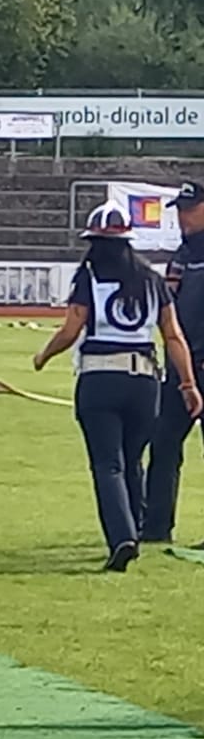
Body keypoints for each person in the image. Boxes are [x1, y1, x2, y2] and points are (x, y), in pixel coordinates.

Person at [33, 202, 201, 571]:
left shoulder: (88, 277)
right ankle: (136, 527)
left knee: (107, 464)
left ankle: (122, 538)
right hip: (145, 382)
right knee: (132, 459)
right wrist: (188, 383)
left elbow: (71, 330)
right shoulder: (152, 280)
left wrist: (43, 355)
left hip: (99, 378)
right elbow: (173, 336)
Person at [145, 182, 204, 544]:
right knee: (164, 445)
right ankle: (155, 528)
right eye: (180, 210)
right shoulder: (181, 256)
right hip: (181, 370)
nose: (183, 218)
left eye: (190, 210)